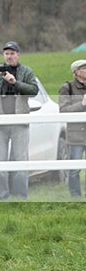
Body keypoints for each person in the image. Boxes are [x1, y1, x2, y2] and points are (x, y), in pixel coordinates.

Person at [0, 41, 39, 200]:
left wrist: (15, 82)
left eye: (12, 53)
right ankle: (2, 196)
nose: (9, 56)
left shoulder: (26, 71)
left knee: (20, 160)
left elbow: (33, 91)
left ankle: (20, 196)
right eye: (7, 53)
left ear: (18, 55)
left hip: (19, 121)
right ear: (3, 55)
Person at [58, 59, 86, 198]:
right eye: (84, 68)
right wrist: (82, 104)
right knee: (74, 169)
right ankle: (76, 197)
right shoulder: (67, 88)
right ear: (76, 72)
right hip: (76, 135)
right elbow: (63, 110)